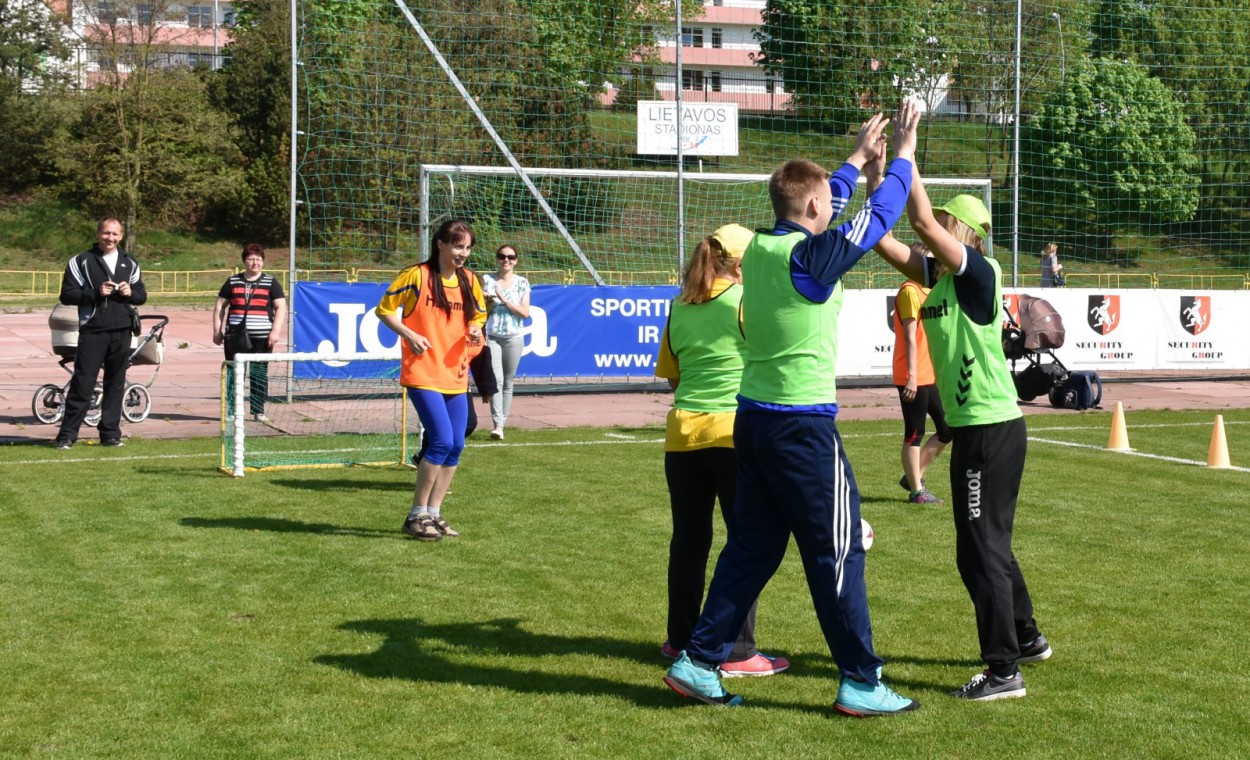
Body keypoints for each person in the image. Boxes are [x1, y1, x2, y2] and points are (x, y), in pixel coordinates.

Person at [663, 101, 922, 717]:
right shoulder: (811, 258)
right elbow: (879, 215)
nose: (832, 207)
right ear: (811, 209)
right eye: (825, 203)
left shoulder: (758, 248)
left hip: (752, 421)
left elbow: (826, 199)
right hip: (799, 427)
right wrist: (903, 158)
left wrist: (856, 160)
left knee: (752, 548)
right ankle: (861, 680)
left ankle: (699, 661)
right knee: (839, 551)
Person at [869, 155, 1053, 701]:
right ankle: (1026, 638)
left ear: (960, 230)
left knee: (980, 551)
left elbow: (922, 223)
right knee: (986, 546)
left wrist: (906, 155)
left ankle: (1003, 671)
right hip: (981, 431)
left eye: (945, 222)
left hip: (989, 430)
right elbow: (885, 243)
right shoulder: (941, 280)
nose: (932, 232)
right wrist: (877, 179)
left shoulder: (978, 275)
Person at [654, 223, 790, 679]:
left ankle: (680, 638)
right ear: (739, 265)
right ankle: (737, 650)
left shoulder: (679, 306)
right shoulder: (745, 301)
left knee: (688, 543)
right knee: (747, 544)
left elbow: (673, 375)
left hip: (682, 436)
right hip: (733, 435)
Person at [377, 219, 486, 542]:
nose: (463, 253)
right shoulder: (417, 276)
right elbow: (384, 310)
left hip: (455, 374)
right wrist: (409, 334)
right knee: (440, 441)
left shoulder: (469, 280)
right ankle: (416, 515)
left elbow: (478, 314)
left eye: (467, 247)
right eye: (457, 246)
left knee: (456, 444)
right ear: (440, 244)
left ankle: (434, 514)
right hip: (423, 373)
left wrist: (476, 328)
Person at [54, 217, 147, 449]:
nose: (110, 238)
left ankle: (110, 434)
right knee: (83, 383)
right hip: (93, 331)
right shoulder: (81, 261)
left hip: (122, 330)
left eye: (115, 234)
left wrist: (130, 292)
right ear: (98, 234)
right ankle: (66, 436)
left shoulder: (129, 262)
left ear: (121, 236)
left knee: (115, 384)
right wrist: (95, 292)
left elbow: (141, 295)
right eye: (106, 233)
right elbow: (67, 295)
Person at [891, 243, 950, 505]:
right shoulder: (910, 291)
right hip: (912, 374)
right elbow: (910, 337)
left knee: (948, 428)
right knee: (914, 432)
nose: (935, 266)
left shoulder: (930, 291)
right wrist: (912, 377)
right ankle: (917, 492)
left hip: (930, 373)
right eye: (930, 261)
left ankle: (913, 477)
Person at [212, 244, 287, 423]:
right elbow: (220, 306)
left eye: (258, 259)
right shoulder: (232, 281)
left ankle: (258, 411)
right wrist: (217, 330)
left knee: (259, 374)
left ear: (263, 261)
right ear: (244, 261)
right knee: (234, 373)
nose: (255, 263)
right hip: (235, 336)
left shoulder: (271, 282)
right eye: (251, 259)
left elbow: (281, 307)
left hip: (262, 337)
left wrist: (275, 331)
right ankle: (232, 411)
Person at [481, 244, 531, 440]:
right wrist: (488, 301)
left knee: (508, 382)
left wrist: (505, 300)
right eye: (502, 256)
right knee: (497, 381)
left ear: (516, 260)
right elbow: (481, 311)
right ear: (497, 259)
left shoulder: (522, 282)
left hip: (514, 337)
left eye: (510, 257)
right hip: (492, 336)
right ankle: (498, 425)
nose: (506, 260)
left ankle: (503, 420)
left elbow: (524, 313)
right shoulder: (487, 280)